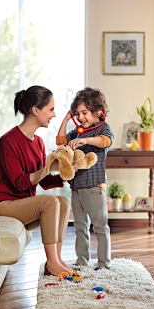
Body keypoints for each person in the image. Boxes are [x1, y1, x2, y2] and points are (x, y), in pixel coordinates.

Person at [0, 85, 76, 277]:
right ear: (36, 110)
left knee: (63, 201)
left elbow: (43, 182)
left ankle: (57, 261)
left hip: (21, 204)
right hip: (4, 205)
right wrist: (48, 167)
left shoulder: (38, 142)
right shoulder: (8, 141)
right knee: (50, 201)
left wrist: (66, 174)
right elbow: (20, 183)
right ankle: (52, 263)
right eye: (51, 109)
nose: (54, 114)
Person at [56, 87, 114, 269]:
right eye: (78, 113)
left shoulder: (103, 128)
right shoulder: (78, 130)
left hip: (94, 187)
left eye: (85, 113)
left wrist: (86, 141)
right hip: (76, 187)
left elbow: (105, 141)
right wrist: (66, 119)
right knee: (80, 226)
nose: (81, 117)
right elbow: (60, 141)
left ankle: (104, 262)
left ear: (98, 112)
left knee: (100, 226)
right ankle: (82, 259)